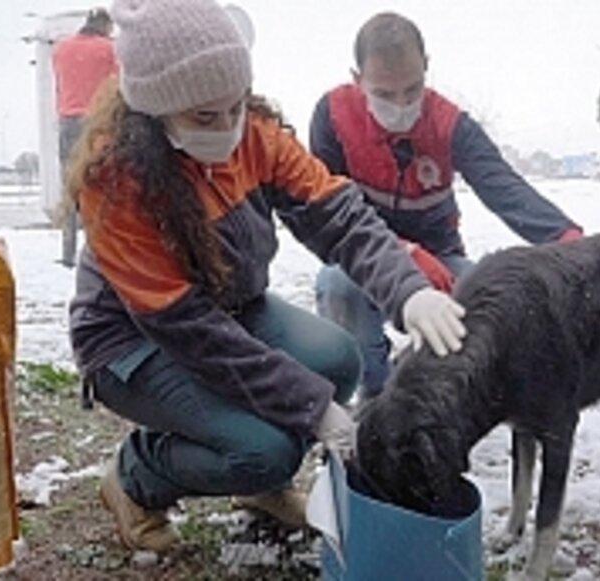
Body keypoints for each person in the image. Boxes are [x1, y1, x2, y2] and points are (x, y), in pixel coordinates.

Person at [66, 0, 467, 553]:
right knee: (262, 448)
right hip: (136, 341)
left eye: (235, 106)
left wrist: (409, 291)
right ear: (154, 111)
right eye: (205, 117)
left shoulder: (254, 133)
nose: (228, 129)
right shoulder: (117, 183)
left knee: (337, 360)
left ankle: (260, 490)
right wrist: (312, 407)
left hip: (230, 305)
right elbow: (191, 331)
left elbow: (338, 214)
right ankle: (137, 476)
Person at [310, 12, 583, 398]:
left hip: (441, 258)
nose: (401, 105)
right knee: (337, 286)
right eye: (384, 95)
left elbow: (504, 187)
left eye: (412, 89)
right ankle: (375, 393)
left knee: (485, 300)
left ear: (427, 68)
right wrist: (402, 253)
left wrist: (569, 240)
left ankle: (443, 397)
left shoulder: (450, 124)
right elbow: (326, 213)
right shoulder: (333, 117)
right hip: (361, 259)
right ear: (358, 81)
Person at [52, 7, 117, 267]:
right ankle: (98, 252)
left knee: (70, 190)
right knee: (100, 187)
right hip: (97, 122)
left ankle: (67, 252)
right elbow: (118, 86)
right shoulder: (109, 49)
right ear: (105, 26)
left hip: (67, 121)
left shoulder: (60, 49)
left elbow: (59, 85)